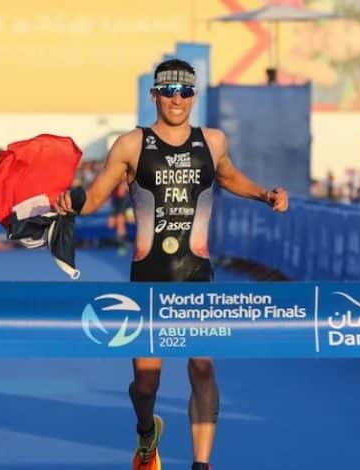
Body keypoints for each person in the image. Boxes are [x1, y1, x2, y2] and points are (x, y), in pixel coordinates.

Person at [55, 59, 289, 470]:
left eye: (185, 91)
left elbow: (230, 177)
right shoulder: (130, 145)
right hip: (147, 281)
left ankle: (201, 464)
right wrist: (70, 203)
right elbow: (93, 199)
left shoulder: (212, 141)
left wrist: (265, 194)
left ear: (194, 96)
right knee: (147, 383)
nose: (177, 99)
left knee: (201, 366)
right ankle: (147, 433)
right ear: (155, 95)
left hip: (196, 276)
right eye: (168, 91)